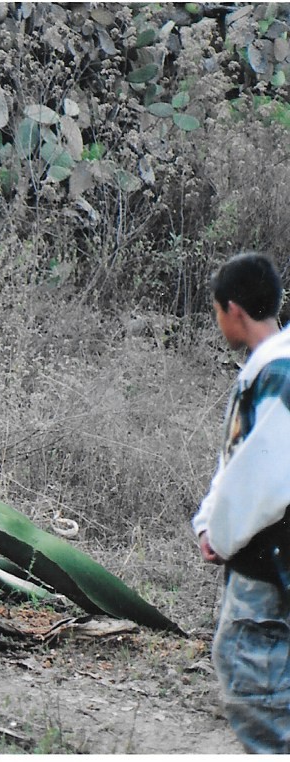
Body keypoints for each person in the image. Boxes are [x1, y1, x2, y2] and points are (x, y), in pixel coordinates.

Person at [191, 251, 290, 753]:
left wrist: (218, 534)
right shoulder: (273, 368)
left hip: (269, 562)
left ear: (233, 310)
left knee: (258, 693)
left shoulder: (276, 374)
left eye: (215, 311)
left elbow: (264, 479)